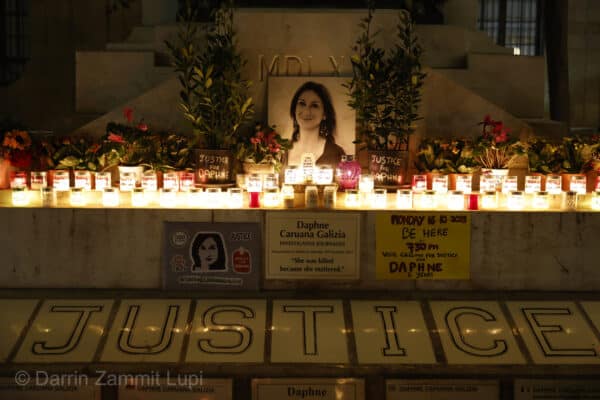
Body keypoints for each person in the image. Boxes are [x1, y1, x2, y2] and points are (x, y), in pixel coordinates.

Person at [287, 81, 345, 166]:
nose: (307, 111)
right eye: (302, 103)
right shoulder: (280, 151)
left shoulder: (336, 153)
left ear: (325, 114)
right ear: (294, 109)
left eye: (314, 105)